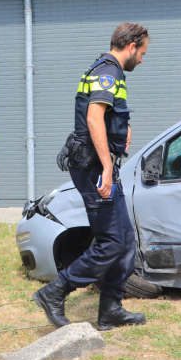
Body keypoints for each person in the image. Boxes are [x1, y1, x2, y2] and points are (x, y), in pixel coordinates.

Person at [35, 22, 149, 331]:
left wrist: (123, 129)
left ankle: (110, 309)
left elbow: (106, 116)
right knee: (111, 240)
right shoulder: (109, 72)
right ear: (131, 46)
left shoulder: (105, 70)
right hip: (95, 167)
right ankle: (54, 292)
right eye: (142, 53)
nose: (142, 59)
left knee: (124, 241)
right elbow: (94, 117)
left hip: (98, 162)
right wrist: (108, 169)